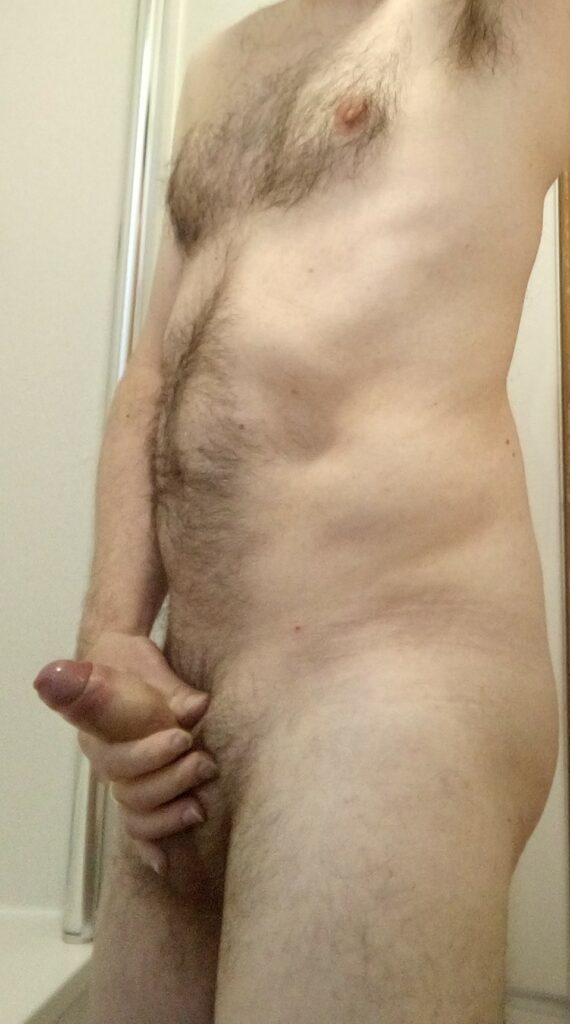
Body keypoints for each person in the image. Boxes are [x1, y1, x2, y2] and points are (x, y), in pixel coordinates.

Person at [34, 1, 569, 1021]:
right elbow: (151, 375)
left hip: (389, 692)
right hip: (182, 709)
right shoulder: (219, 65)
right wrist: (111, 631)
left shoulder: (506, 22)